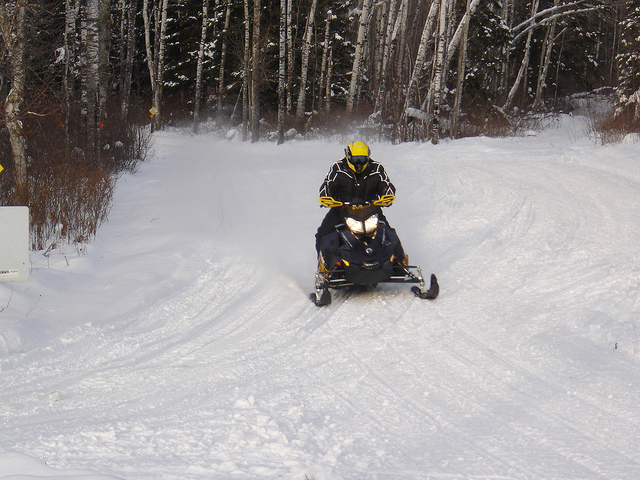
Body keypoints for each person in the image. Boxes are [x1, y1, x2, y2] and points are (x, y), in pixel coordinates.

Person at [315, 140, 404, 259]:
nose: (359, 164)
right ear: (348, 156)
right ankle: (324, 266)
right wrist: (326, 197)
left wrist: (387, 196)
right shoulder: (338, 168)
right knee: (323, 233)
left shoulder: (376, 169)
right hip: (342, 210)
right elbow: (327, 185)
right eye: (356, 159)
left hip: (371, 210)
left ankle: (401, 265)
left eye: (362, 159)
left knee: (389, 233)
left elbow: (386, 185)